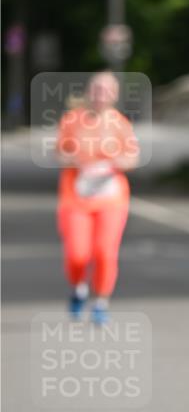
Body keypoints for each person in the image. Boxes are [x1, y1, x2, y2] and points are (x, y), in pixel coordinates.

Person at [56, 71, 139, 324]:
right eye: (96, 89)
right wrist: (77, 160)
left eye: (106, 90)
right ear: (88, 92)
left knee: (105, 252)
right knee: (77, 254)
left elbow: (132, 158)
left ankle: (101, 301)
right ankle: (79, 287)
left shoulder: (121, 123)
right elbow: (59, 153)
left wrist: (116, 162)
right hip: (76, 198)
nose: (100, 95)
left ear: (114, 95)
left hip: (111, 198)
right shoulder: (72, 120)